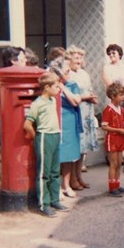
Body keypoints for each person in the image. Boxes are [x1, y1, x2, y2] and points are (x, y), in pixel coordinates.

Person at [24, 72, 69, 217]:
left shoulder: (52, 100)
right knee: (44, 173)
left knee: (55, 171)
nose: (59, 89)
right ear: (47, 87)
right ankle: (44, 204)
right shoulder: (37, 104)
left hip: (55, 135)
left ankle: (55, 199)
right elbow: (27, 124)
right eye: (56, 86)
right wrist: (37, 137)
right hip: (44, 137)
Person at [50, 56, 83, 198]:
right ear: (58, 74)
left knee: (69, 156)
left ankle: (66, 185)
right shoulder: (51, 86)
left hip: (70, 121)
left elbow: (76, 101)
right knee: (58, 155)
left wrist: (63, 87)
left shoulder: (72, 84)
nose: (70, 73)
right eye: (66, 71)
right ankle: (56, 188)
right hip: (57, 121)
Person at [68, 45, 99, 179]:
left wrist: (92, 98)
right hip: (75, 111)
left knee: (83, 148)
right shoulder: (68, 74)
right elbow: (69, 96)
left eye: (81, 57)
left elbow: (89, 90)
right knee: (76, 146)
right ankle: (73, 178)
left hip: (86, 112)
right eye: (76, 58)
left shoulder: (84, 73)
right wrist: (86, 97)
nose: (79, 60)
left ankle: (79, 177)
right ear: (69, 59)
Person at [101, 82, 124, 197]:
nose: (123, 97)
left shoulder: (121, 110)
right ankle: (112, 187)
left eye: (123, 95)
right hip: (112, 138)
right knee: (113, 163)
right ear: (113, 96)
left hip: (120, 138)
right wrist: (118, 130)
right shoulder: (108, 110)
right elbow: (104, 126)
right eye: (120, 95)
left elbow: (122, 122)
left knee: (119, 163)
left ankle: (117, 184)